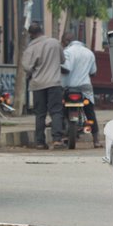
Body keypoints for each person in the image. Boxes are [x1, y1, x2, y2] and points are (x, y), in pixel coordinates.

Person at [21, 21, 66, 149]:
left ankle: (40, 142)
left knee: (40, 114)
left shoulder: (31, 48)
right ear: (41, 31)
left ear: (31, 35)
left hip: (38, 85)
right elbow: (62, 60)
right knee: (56, 112)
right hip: (54, 83)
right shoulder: (54, 43)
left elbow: (26, 67)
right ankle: (57, 140)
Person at [61, 29, 99, 147]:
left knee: (61, 110)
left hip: (69, 87)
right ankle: (96, 140)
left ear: (66, 41)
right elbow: (93, 72)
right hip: (85, 88)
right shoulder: (89, 53)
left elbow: (65, 68)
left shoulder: (67, 52)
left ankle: (63, 134)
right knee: (90, 112)